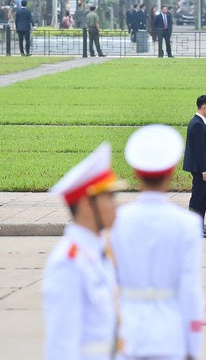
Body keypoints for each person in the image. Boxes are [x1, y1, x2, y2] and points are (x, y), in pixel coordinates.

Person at [113, 125, 204, 360]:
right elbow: (190, 291)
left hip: (128, 335)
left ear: (134, 172)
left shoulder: (117, 221)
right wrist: (193, 347)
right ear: (172, 171)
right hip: (169, 336)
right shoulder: (187, 224)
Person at [43, 143, 126, 360]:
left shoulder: (98, 251)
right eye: (109, 197)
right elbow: (61, 346)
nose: (115, 206)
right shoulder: (68, 262)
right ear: (87, 204)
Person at [183, 94, 206, 238]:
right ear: (204, 107)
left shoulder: (200, 122)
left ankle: (199, 227)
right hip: (200, 169)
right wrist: (204, 170)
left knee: (203, 197)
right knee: (198, 199)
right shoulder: (197, 124)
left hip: (202, 169)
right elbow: (199, 151)